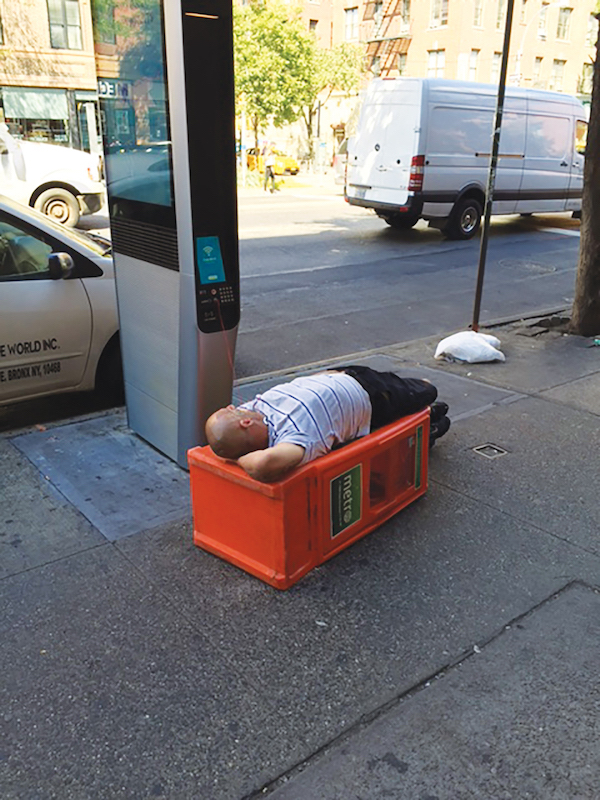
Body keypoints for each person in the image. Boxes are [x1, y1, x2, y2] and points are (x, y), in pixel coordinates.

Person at [205, 365, 450, 483]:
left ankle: (426, 414)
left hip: (343, 375)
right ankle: (429, 415)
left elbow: (230, 439)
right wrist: (236, 459)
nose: (233, 406)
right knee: (427, 387)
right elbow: (263, 465)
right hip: (374, 398)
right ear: (245, 422)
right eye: (231, 411)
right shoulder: (293, 438)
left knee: (411, 390)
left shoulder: (256, 408)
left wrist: (231, 455)